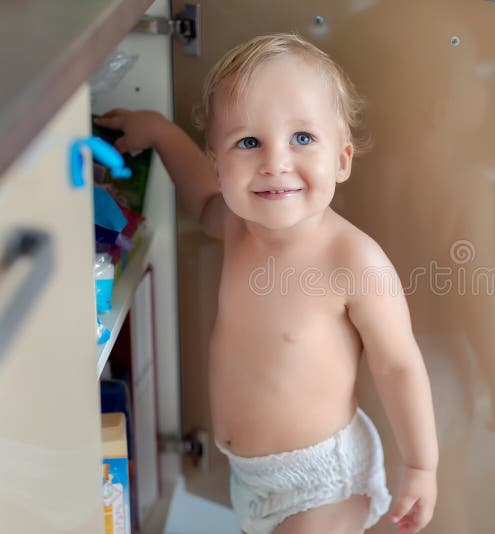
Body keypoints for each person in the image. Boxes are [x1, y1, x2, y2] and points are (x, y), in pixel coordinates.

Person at [94, 33, 438, 534]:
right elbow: (200, 197)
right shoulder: (237, 224)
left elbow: (399, 364)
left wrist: (421, 464)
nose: (275, 162)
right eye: (248, 142)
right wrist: (163, 134)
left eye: (302, 138)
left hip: (324, 482)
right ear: (218, 162)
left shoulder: (352, 259)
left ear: (341, 159)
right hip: (249, 478)